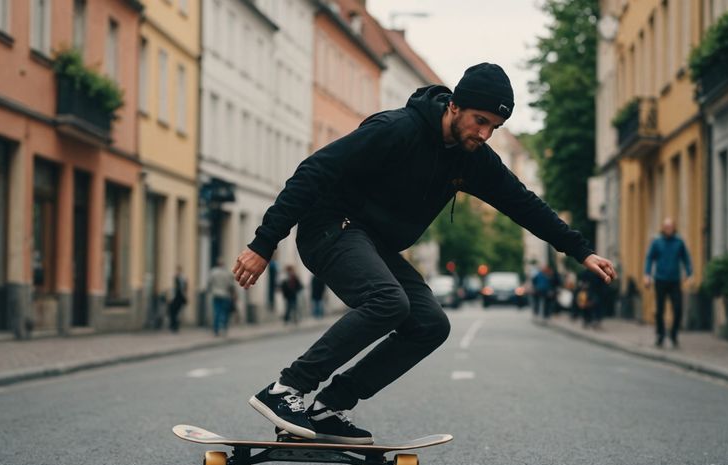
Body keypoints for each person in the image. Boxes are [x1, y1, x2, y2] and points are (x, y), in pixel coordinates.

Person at [231, 63, 617, 444]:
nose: (484, 134)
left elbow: (524, 204)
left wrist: (581, 251)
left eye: (493, 128)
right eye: (479, 121)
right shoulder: (397, 129)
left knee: (430, 324)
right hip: (330, 227)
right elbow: (313, 171)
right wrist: (264, 243)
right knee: (387, 301)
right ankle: (287, 388)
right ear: (454, 106)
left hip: (374, 244)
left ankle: (330, 406)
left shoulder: (473, 159)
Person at [644, 218, 693, 348]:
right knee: (660, 310)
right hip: (660, 279)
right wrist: (647, 275)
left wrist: (688, 273)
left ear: (674, 228)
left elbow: (686, 258)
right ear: (663, 228)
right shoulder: (657, 242)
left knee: (678, 309)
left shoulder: (679, 242)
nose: (668, 229)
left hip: (674, 280)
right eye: (666, 227)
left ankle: (673, 334)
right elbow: (649, 258)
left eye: (670, 227)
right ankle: (660, 334)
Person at [207, 259, 236, 336]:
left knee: (216, 312)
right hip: (225, 295)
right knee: (224, 312)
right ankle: (224, 328)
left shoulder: (213, 272)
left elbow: (209, 283)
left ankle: (216, 330)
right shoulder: (227, 273)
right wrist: (233, 295)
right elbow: (231, 285)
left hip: (216, 294)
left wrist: (211, 290)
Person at [168, 265, 188, 332]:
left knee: (174, 312)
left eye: (178, 270)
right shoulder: (180, 278)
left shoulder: (181, 278)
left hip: (178, 298)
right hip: (177, 298)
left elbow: (182, 289)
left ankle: (174, 326)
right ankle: (174, 325)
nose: (177, 272)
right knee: (173, 312)